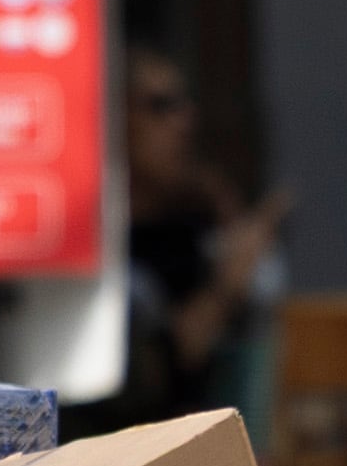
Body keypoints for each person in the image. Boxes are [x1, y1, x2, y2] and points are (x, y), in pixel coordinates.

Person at [94, 48, 291, 431]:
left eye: (184, 103)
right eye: (160, 105)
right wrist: (224, 288)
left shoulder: (195, 228)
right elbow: (158, 372)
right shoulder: (97, 249)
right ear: (116, 118)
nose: (183, 121)